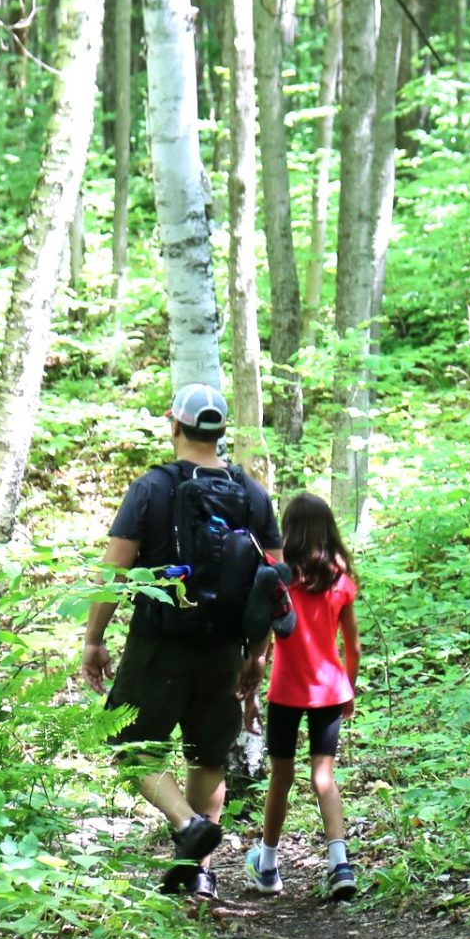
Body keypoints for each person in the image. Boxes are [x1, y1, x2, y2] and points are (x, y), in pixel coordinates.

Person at [81, 383, 282, 902]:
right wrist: (257, 655)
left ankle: (186, 823)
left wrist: (94, 639)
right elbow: (274, 583)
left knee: (126, 743)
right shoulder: (253, 494)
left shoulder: (152, 487)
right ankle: (200, 875)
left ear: (176, 425)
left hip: (159, 640)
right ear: (219, 432)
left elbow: (115, 569)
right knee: (207, 757)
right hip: (225, 648)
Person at [246, 492, 362, 903]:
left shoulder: (279, 579)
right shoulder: (341, 580)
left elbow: (261, 639)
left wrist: (251, 690)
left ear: (289, 530)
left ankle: (269, 864)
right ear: (328, 529)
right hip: (330, 690)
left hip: (287, 691)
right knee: (323, 776)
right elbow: (353, 646)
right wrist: (347, 688)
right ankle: (340, 863)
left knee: (281, 775)